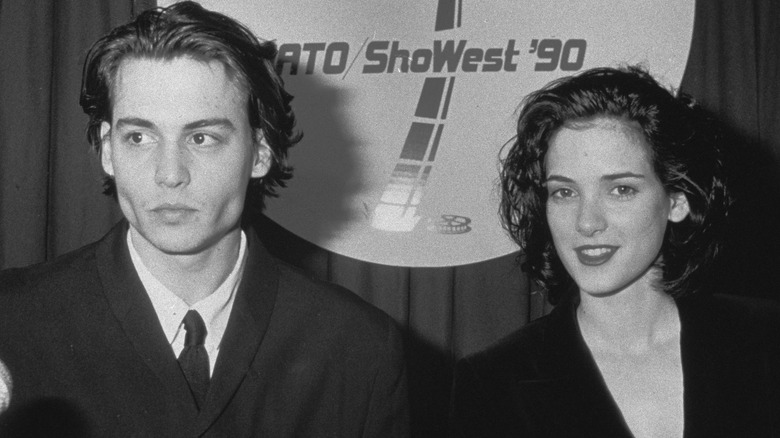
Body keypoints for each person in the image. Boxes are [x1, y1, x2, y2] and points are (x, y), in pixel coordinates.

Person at [0, 2, 408, 436]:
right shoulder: (12, 320)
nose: (170, 174)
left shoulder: (358, 348)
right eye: (139, 137)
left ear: (260, 152)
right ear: (107, 149)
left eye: (202, 137)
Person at [450, 66, 780, 437]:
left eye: (621, 189)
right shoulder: (494, 383)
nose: (587, 223)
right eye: (564, 192)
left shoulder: (766, 343)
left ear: (677, 200)